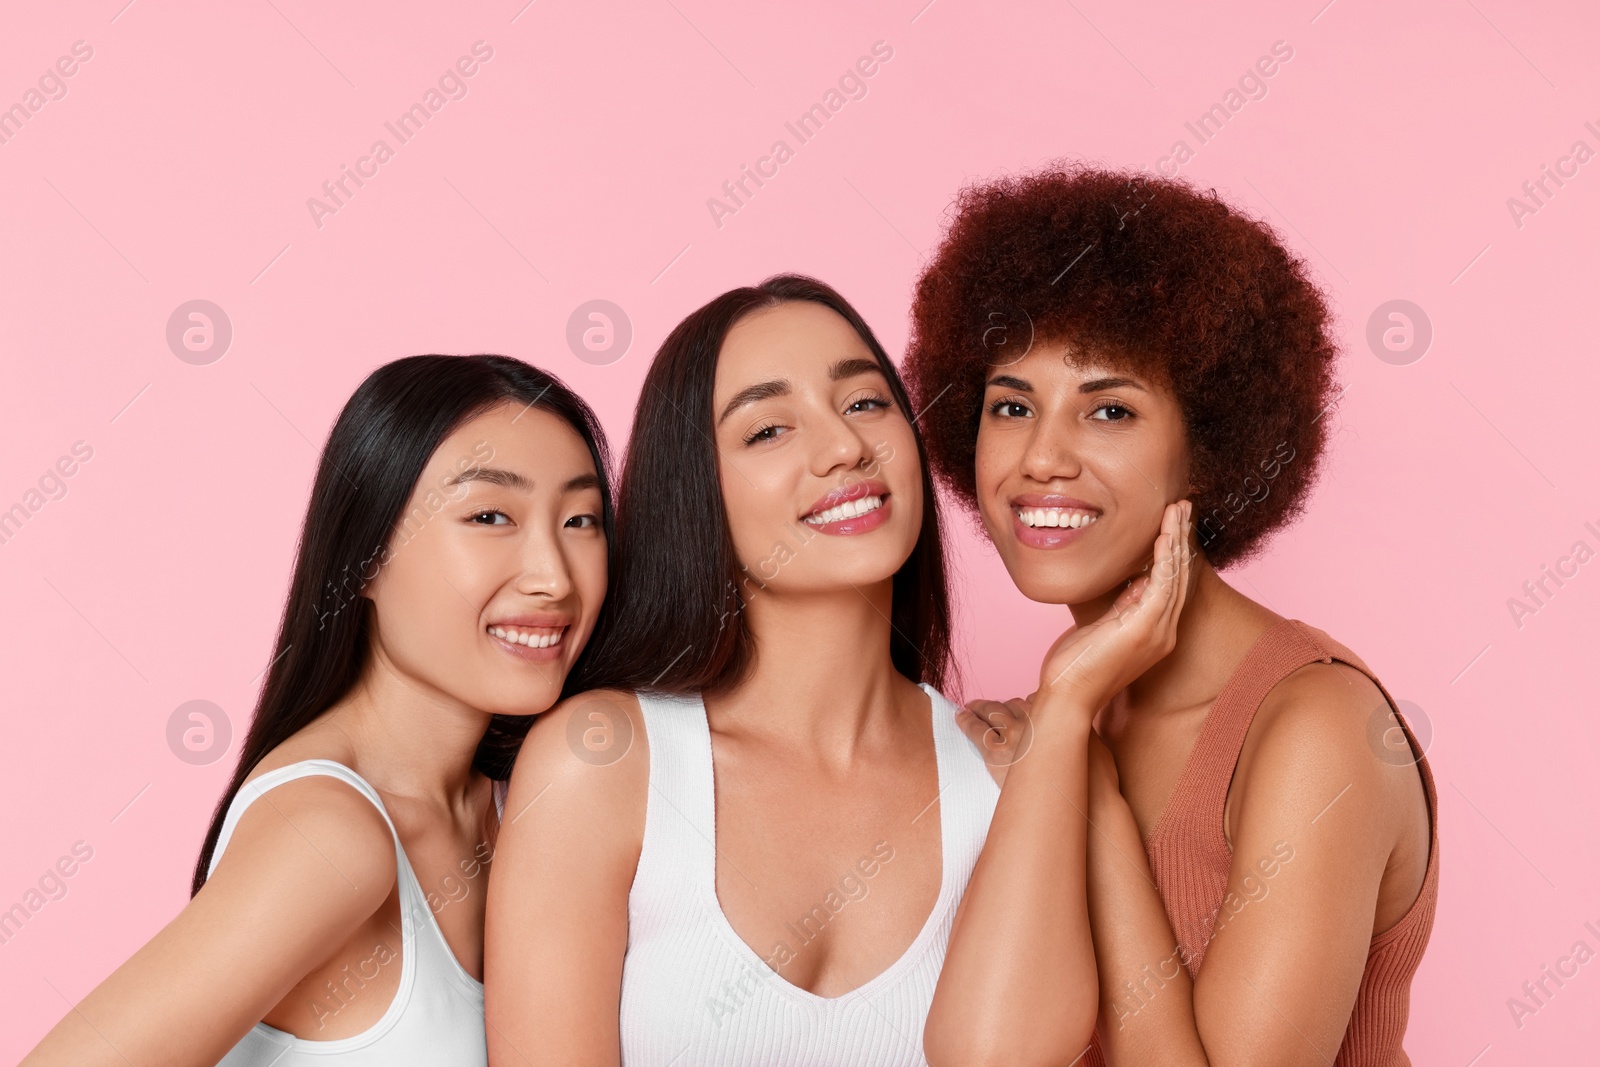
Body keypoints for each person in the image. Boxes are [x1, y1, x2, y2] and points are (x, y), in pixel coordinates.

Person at [904, 164, 1439, 1066]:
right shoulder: (1056, 713)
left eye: (1108, 408)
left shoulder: (1318, 729)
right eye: (1011, 405)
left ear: (1208, 450)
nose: (1042, 458)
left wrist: (1092, 795)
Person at [24, 355, 613, 1067]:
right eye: (490, 515)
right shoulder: (330, 836)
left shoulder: (521, 806)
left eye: (581, 519)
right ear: (365, 556)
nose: (553, 575)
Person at [485, 275, 998, 1066]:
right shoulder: (604, 763)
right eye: (767, 430)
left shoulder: (1005, 775)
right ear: (697, 492)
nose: (844, 447)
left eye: (865, 402)